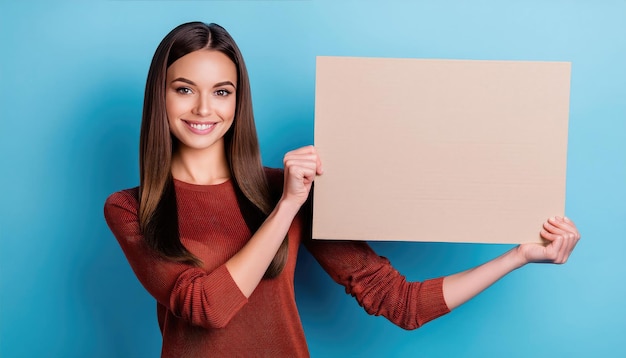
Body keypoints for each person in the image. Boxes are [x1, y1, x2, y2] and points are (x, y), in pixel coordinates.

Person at [104, 21, 581, 357]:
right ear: (160, 97)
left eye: (221, 91)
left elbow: (400, 303)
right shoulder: (130, 208)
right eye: (184, 89)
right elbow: (206, 308)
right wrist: (288, 205)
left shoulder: (279, 189)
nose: (204, 107)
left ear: (237, 101)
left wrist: (519, 255)